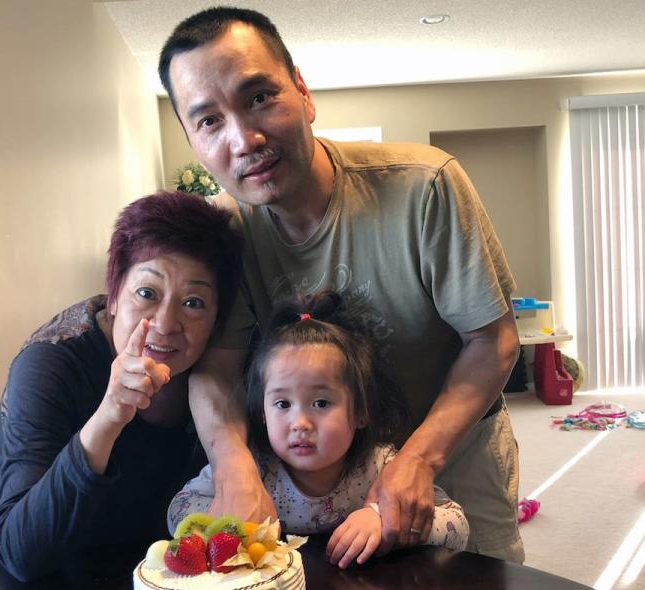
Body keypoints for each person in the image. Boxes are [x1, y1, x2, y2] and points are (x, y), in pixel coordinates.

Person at [158, 7, 524, 562]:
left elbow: (493, 341)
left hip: (453, 447)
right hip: (315, 478)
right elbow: (218, 366)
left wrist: (418, 460)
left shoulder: (425, 187)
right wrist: (233, 465)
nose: (245, 138)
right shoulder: (224, 232)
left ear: (303, 92)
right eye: (209, 121)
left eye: (259, 97)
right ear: (192, 139)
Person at [0, 191, 242, 581]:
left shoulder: (213, 378)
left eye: (194, 303)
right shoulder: (51, 362)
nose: (166, 323)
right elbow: (20, 552)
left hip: (108, 556)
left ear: (218, 319)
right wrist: (110, 415)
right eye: (147, 293)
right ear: (114, 295)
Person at [168, 292, 469, 569]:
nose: (300, 422)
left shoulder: (379, 467)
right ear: (262, 413)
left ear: (361, 411)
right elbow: (178, 510)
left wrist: (382, 518)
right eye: (283, 404)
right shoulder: (255, 469)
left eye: (321, 403)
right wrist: (225, 520)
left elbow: (457, 527)